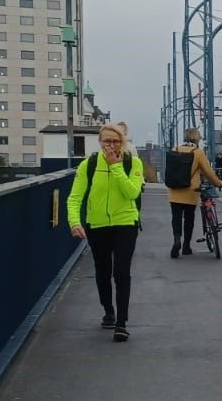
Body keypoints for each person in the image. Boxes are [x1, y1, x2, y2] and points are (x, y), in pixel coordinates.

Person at [65, 123, 144, 342]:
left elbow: (132, 192)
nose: (110, 146)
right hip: (97, 225)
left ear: (123, 142)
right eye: (107, 141)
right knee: (102, 270)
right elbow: (75, 197)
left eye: (115, 141)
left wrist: (116, 167)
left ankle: (121, 323)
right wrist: (74, 222)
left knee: (121, 271)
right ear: (100, 142)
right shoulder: (88, 165)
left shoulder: (132, 163)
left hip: (125, 223)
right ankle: (108, 311)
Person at [167, 128, 222, 258]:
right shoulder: (198, 152)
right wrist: (218, 183)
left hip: (174, 189)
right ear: (196, 138)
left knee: (176, 217)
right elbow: (208, 172)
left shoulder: (174, 149)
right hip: (191, 191)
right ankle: (186, 246)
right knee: (189, 218)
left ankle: (177, 239)